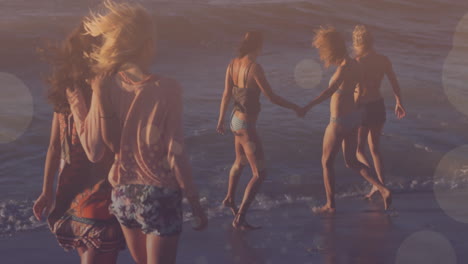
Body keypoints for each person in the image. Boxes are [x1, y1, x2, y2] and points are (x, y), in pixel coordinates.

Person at [75, 2, 207, 263]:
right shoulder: (167, 88)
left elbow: (110, 144)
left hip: (123, 195)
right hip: (159, 193)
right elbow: (175, 151)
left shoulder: (107, 86)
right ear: (147, 45)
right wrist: (194, 200)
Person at [32, 22, 125, 264]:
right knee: (100, 250)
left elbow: (54, 147)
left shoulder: (68, 92)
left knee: (88, 251)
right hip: (98, 192)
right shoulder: (102, 93)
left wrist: (47, 191)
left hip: (70, 190)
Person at [299, 26, 392, 213]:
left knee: (326, 162)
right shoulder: (357, 65)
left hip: (339, 121)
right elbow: (360, 89)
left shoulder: (342, 69)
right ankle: (382, 189)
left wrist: (307, 106)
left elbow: (328, 92)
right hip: (354, 118)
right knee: (351, 161)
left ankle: (330, 204)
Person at [216, 31, 302, 230]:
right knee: (260, 173)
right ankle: (240, 218)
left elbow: (226, 94)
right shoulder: (254, 68)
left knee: (239, 162)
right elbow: (271, 97)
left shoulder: (232, 63)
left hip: (234, 121)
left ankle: (229, 197)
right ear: (258, 46)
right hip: (246, 125)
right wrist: (295, 107)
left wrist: (220, 119)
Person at [352, 25, 406, 199]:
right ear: (371, 41)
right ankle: (381, 185)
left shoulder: (358, 61)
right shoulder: (383, 59)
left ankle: (377, 185)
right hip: (379, 105)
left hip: (362, 107)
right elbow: (394, 81)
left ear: (356, 43)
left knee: (358, 149)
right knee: (375, 148)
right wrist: (399, 101)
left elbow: (357, 90)